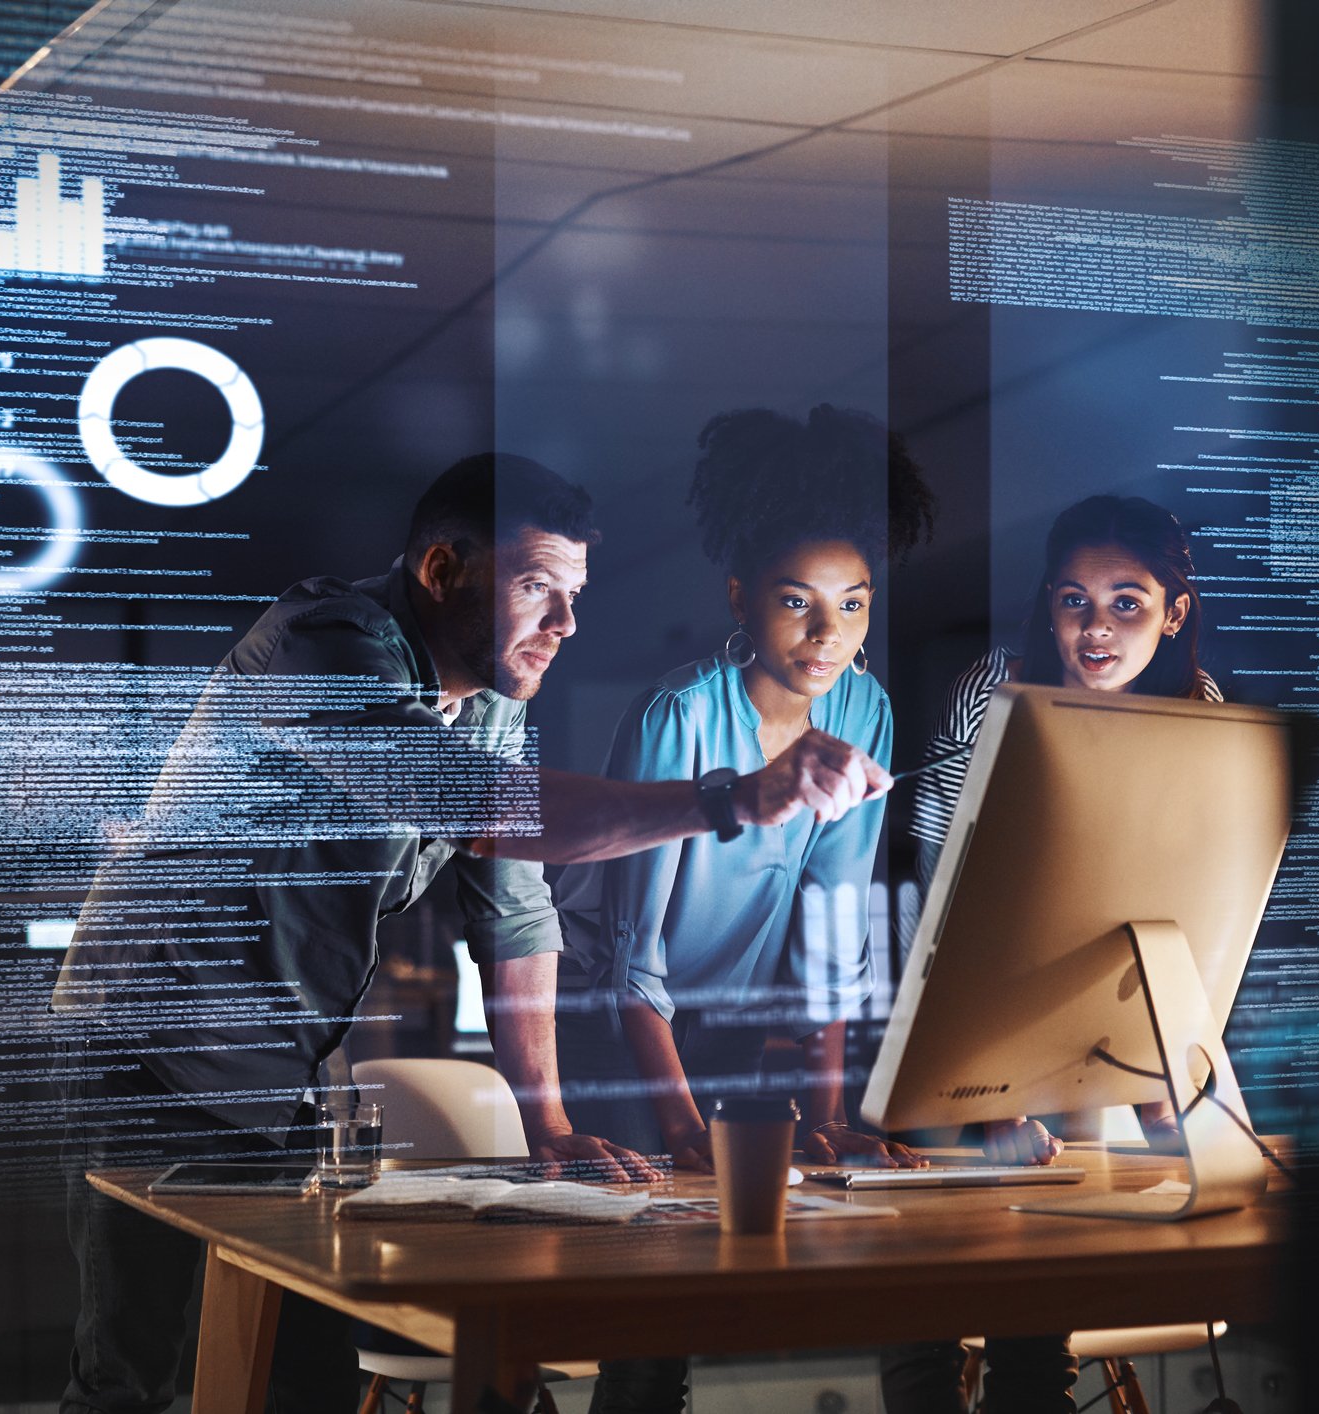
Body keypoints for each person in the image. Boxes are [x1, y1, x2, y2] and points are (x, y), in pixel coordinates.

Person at [50, 452, 893, 1414]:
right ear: (442, 571)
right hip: (152, 1040)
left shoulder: (489, 707)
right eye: (537, 587)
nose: (566, 624)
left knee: (297, 1370)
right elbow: (483, 809)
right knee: (137, 1375)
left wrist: (551, 1126)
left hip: (282, 1057)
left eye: (574, 594)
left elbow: (517, 910)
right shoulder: (323, 642)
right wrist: (731, 798)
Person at [549, 405, 935, 1414]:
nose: (828, 636)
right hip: (614, 1028)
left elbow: (833, 937)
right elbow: (633, 965)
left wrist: (833, 1112)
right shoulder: (682, 714)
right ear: (739, 597)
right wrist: (682, 1128)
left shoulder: (867, 708)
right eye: (796, 602)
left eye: (853, 606)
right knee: (658, 1313)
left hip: (722, 1026)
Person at [882, 492, 1222, 1414]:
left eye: (1125, 602)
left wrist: (1169, 1073)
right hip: (947, 1007)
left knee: (1033, 1336)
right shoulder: (995, 687)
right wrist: (972, 1083)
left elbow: (1183, 910)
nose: (1095, 629)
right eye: (1073, 600)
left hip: (1081, 1027)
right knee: (927, 1321)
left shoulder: (1198, 715)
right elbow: (932, 892)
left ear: (1173, 611)